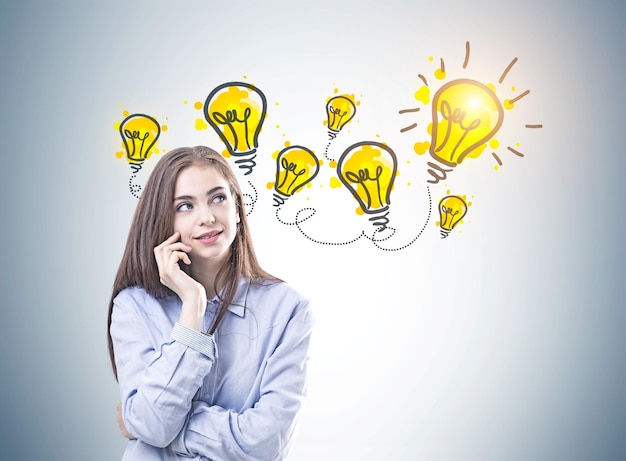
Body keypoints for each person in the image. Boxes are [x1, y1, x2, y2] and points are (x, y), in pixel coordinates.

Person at [107, 145, 314, 460]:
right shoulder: (133, 306)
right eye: (185, 206)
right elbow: (151, 426)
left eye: (218, 198)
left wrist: (154, 426)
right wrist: (192, 305)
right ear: (161, 219)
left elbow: (267, 444)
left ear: (237, 209)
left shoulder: (288, 309)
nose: (207, 217)